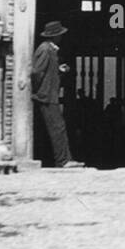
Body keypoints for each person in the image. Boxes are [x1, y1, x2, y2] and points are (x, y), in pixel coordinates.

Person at [31, 20, 82, 168]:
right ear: (55, 36)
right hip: (47, 95)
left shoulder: (50, 49)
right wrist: (39, 90)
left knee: (58, 127)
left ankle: (65, 159)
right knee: (57, 127)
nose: (62, 37)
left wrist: (58, 70)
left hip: (49, 94)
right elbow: (36, 72)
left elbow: (43, 70)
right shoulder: (45, 49)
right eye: (60, 34)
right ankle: (63, 160)